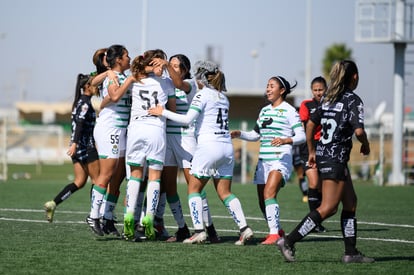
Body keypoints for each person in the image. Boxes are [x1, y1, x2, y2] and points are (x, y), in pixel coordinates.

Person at [277, 60, 374, 263]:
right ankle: (289, 241)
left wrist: (312, 150)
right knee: (328, 207)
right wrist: (365, 144)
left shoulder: (329, 98)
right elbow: (359, 130)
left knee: (350, 202)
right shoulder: (353, 100)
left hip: (324, 154)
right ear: (354, 77)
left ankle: (351, 252)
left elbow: (311, 123)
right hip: (335, 157)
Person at [149, 60, 254, 245]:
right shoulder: (223, 97)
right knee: (225, 192)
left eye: (197, 74)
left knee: (194, 189)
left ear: (202, 77)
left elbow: (188, 119)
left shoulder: (202, 94)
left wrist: (162, 112)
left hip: (209, 146)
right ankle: (245, 229)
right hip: (226, 147)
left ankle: (199, 231)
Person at [150, 54, 220, 243]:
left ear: (185, 70)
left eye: (175, 66)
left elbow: (179, 83)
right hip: (167, 139)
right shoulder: (164, 84)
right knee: (170, 186)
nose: (170, 68)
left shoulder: (190, 83)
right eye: (169, 65)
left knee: (194, 185)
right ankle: (182, 228)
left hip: (186, 139)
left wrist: (166, 66)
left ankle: (210, 228)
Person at [231, 76, 305, 245]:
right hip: (264, 160)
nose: (268, 89)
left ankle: (273, 235)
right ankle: (277, 229)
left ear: (282, 90)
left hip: (281, 159)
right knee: (262, 200)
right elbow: (255, 135)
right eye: (267, 86)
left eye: (272, 86)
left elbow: (301, 136)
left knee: (269, 193)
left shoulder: (289, 110)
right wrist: (239, 134)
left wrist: (286, 140)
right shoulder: (264, 111)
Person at [122, 49, 176, 241]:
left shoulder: (136, 77)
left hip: (136, 127)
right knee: (154, 177)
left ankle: (129, 215)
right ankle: (149, 219)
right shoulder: (167, 83)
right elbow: (173, 109)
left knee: (135, 175)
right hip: (155, 128)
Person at [87, 44, 134, 237]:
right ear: (118, 60)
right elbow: (114, 96)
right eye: (127, 55)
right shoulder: (113, 75)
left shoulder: (122, 76)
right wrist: (128, 79)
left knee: (119, 175)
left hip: (122, 129)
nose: (129, 58)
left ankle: (107, 217)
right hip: (110, 128)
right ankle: (93, 216)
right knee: (106, 174)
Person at [44, 73, 100, 222]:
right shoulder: (86, 103)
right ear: (86, 86)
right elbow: (80, 124)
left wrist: (74, 144)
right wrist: (76, 143)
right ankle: (96, 215)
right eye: (94, 83)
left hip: (76, 147)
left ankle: (53, 203)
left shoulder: (78, 102)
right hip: (85, 146)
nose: (97, 86)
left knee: (79, 182)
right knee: (98, 181)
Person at [299, 76, 328, 233]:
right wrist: (310, 149)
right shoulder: (306, 105)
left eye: (321, 89)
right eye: (315, 90)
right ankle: (313, 222)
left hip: (326, 148)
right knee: (314, 182)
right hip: (308, 147)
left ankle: (318, 220)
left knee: (324, 187)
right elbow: (304, 127)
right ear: (312, 90)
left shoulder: (331, 105)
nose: (318, 92)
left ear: (326, 89)